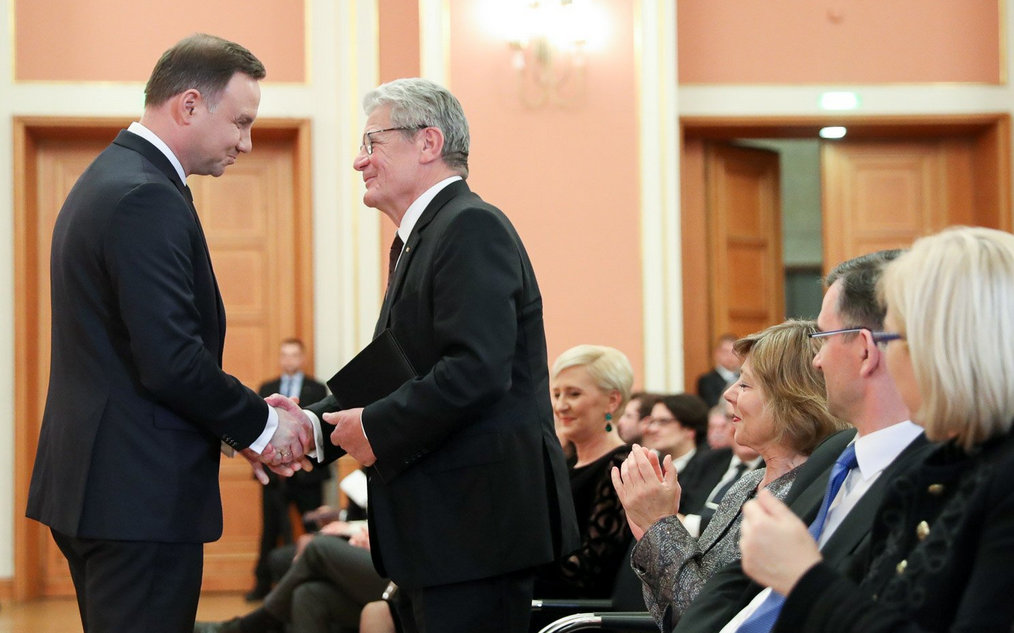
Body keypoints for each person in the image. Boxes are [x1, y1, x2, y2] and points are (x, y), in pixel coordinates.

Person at [25, 34, 313, 633]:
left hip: (108, 488)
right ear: (189, 105)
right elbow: (171, 360)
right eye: (240, 122)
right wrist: (262, 427)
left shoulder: (115, 176)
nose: (246, 142)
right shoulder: (145, 195)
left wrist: (241, 427)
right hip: (136, 498)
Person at [271, 78, 579, 633]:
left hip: (475, 529)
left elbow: (476, 370)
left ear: (428, 142)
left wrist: (372, 426)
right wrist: (312, 427)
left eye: (372, 142)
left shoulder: (470, 226)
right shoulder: (429, 235)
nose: (359, 161)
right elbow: (397, 369)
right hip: (444, 532)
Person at [738, 226, 1014, 633]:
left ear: (946, 348)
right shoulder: (935, 464)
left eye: (895, 340)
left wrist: (803, 579)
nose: (889, 361)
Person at [673, 250, 927, 633]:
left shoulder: (933, 474)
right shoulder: (835, 452)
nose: (816, 361)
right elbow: (736, 583)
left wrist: (804, 578)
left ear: (864, 349)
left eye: (823, 339)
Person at [612, 320, 847, 631]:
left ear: (791, 398)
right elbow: (679, 615)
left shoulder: (807, 493)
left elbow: (714, 619)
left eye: (745, 384)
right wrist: (652, 531)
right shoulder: (749, 482)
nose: (728, 393)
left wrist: (660, 526)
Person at [536, 345, 634, 599]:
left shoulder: (622, 466)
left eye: (574, 394)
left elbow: (589, 571)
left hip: (577, 612)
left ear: (612, 400)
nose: (560, 406)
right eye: (556, 394)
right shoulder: (565, 463)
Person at [248, 338, 331, 601]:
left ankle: (313, 585)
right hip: (274, 477)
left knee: (312, 528)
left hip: (308, 475)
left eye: (294, 354)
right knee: (270, 530)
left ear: (302, 358)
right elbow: (258, 426)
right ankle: (262, 584)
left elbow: (322, 427)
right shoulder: (267, 388)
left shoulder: (316, 388)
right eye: (285, 354)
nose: (289, 359)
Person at [195, 523, 388, 633]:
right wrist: (353, 528)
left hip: (399, 577)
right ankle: (253, 625)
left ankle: (250, 625)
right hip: (385, 559)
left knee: (319, 547)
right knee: (308, 594)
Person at [639, 393, 724, 511]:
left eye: (663, 422)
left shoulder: (710, 468)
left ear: (689, 429)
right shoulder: (651, 464)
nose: (652, 429)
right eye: (652, 422)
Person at [696, 333, 740, 407]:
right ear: (717, 353)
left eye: (734, 352)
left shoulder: (744, 378)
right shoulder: (706, 380)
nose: (730, 356)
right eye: (726, 352)